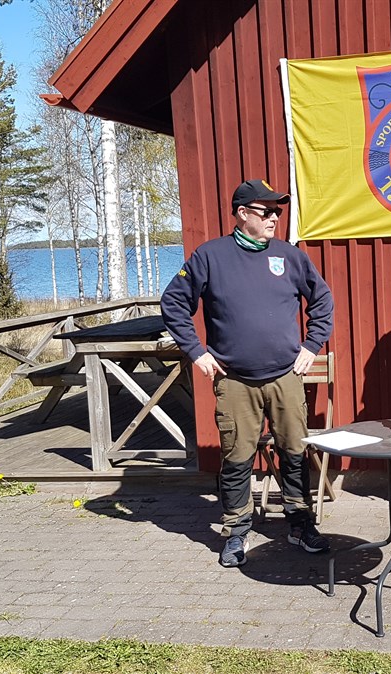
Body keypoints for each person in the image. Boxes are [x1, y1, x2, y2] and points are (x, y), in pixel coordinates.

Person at [161, 179, 334, 567]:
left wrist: (311, 345)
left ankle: (300, 524)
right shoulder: (210, 257)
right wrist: (197, 353)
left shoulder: (290, 256)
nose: (275, 218)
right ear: (242, 213)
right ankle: (236, 531)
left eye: (278, 211)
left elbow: (322, 300)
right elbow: (173, 304)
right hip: (235, 380)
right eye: (266, 211)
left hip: (285, 377)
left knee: (294, 452)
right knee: (237, 458)